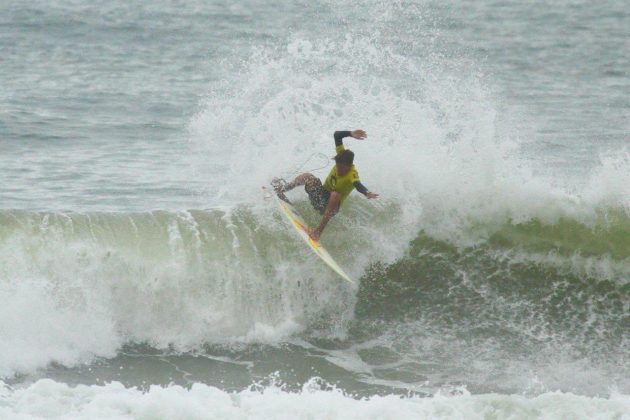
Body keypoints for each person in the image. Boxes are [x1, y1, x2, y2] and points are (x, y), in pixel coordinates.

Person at [273, 129, 379, 241]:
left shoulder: (352, 174)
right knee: (308, 176)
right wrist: (351, 134)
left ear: (349, 166)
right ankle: (281, 189)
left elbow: (358, 184)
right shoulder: (341, 155)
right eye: (337, 166)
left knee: (335, 194)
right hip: (320, 197)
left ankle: (317, 232)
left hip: (330, 207)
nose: (338, 170)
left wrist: (366, 192)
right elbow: (337, 135)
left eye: (341, 168)